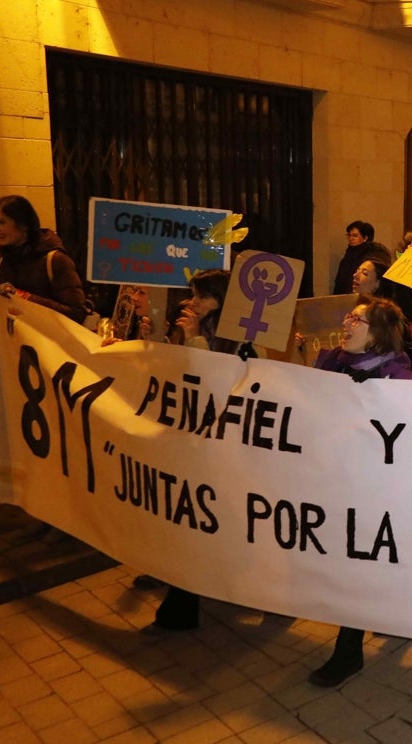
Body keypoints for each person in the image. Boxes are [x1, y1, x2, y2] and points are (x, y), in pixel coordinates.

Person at [308, 296, 412, 688]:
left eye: (358, 319)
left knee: (358, 563)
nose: (347, 323)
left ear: (377, 334)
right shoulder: (333, 362)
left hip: (377, 492)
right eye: (348, 316)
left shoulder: (400, 379)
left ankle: (347, 651)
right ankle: (401, 612)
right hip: (340, 482)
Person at [147, 269, 241, 632]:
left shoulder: (235, 337)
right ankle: (181, 602)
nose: (192, 302)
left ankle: (184, 604)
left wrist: (194, 339)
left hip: (218, 447)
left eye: (201, 296)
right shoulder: (194, 329)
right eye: (192, 294)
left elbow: (215, 382)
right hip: (191, 442)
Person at [0, 194, 88, 321]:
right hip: (14, 340)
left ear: (23, 224)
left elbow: (77, 313)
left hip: (49, 339)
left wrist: (23, 297)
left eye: (1, 222)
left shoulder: (54, 260)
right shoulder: (0, 263)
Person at [332, 221, 392, 295]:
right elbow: (339, 283)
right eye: (349, 235)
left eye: (355, 235)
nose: (351, 238)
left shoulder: (373, 256)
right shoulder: (347, 258)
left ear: (365, 238)